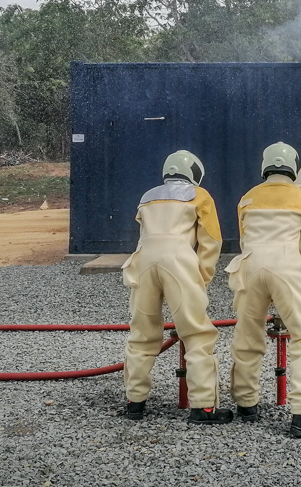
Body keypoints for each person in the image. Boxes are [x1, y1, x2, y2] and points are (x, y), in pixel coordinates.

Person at [226, 142, 301, 437]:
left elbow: (244, 239)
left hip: (250, 264)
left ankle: (246, 403)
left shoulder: (248, 198)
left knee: (247, 334)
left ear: (265, 166)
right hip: (286, 264)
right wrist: (293, 285)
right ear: (293, 167)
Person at [121, 150, 232, 424]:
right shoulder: (199, 195)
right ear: (194, 172)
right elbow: (212, 241)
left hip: (143, 260)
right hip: (179, 261)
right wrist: (201, 278)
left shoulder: (148, 197)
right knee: (196, 334)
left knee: (142, 333)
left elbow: (143, 234)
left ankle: (135, 402)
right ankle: (203, 407)